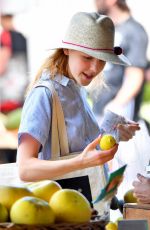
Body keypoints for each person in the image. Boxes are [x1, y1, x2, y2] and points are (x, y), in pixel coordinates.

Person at [17, 12, 140, 183]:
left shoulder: (77, 90)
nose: (95, 68)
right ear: (66, 49)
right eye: (87, 57)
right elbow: (25, 169)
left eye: (102, 60)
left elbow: (83, 147)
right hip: (60, 204)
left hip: (85, 205)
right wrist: (81, 162)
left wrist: (114, 131)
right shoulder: (44, 94)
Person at [90, 0, 148, 122]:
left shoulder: (134, 31)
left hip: (119, 118)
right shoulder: (105, 27)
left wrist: (115, 106)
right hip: (98, 112)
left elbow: (135, 76)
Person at [0, 13, 28, 113]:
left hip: (10, 93)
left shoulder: (5, 36)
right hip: (22, 89)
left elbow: (1, 66)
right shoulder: (22, 36)